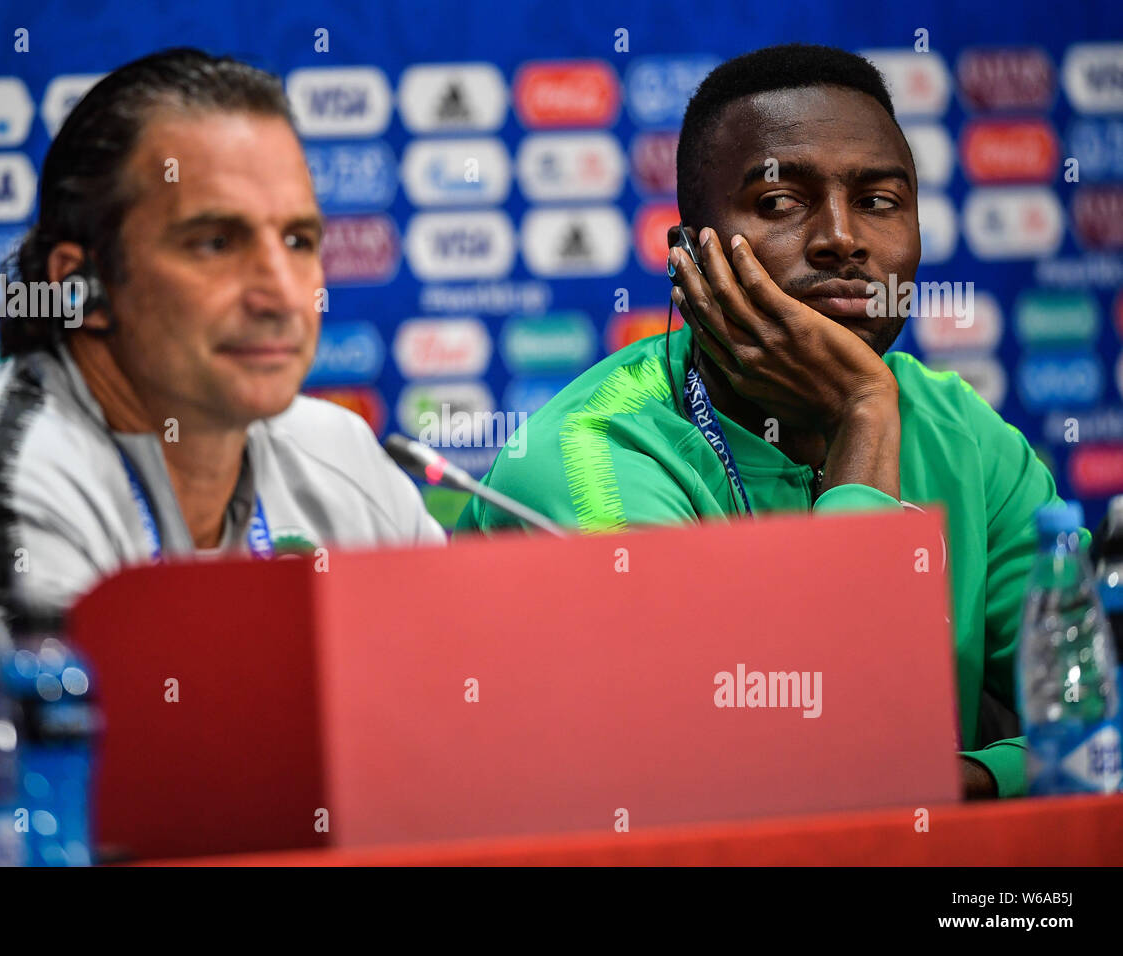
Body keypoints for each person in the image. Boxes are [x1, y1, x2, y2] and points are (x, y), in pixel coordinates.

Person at [457, 43, 1082, 799]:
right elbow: (793, 767)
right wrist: (862, 418)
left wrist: (975, 781)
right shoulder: (588, 456)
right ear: (691, 257)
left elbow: (1096, 711)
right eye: (782, 203)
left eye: (880, 201)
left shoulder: (966, 434)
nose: (842, 239)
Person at [0, 48, 444, 674]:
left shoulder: (342, 457)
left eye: (298, 241)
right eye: (215, 243)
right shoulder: (1, 487)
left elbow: (452, 699)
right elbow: (78, 769)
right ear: (81, 286)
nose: (284, 295)